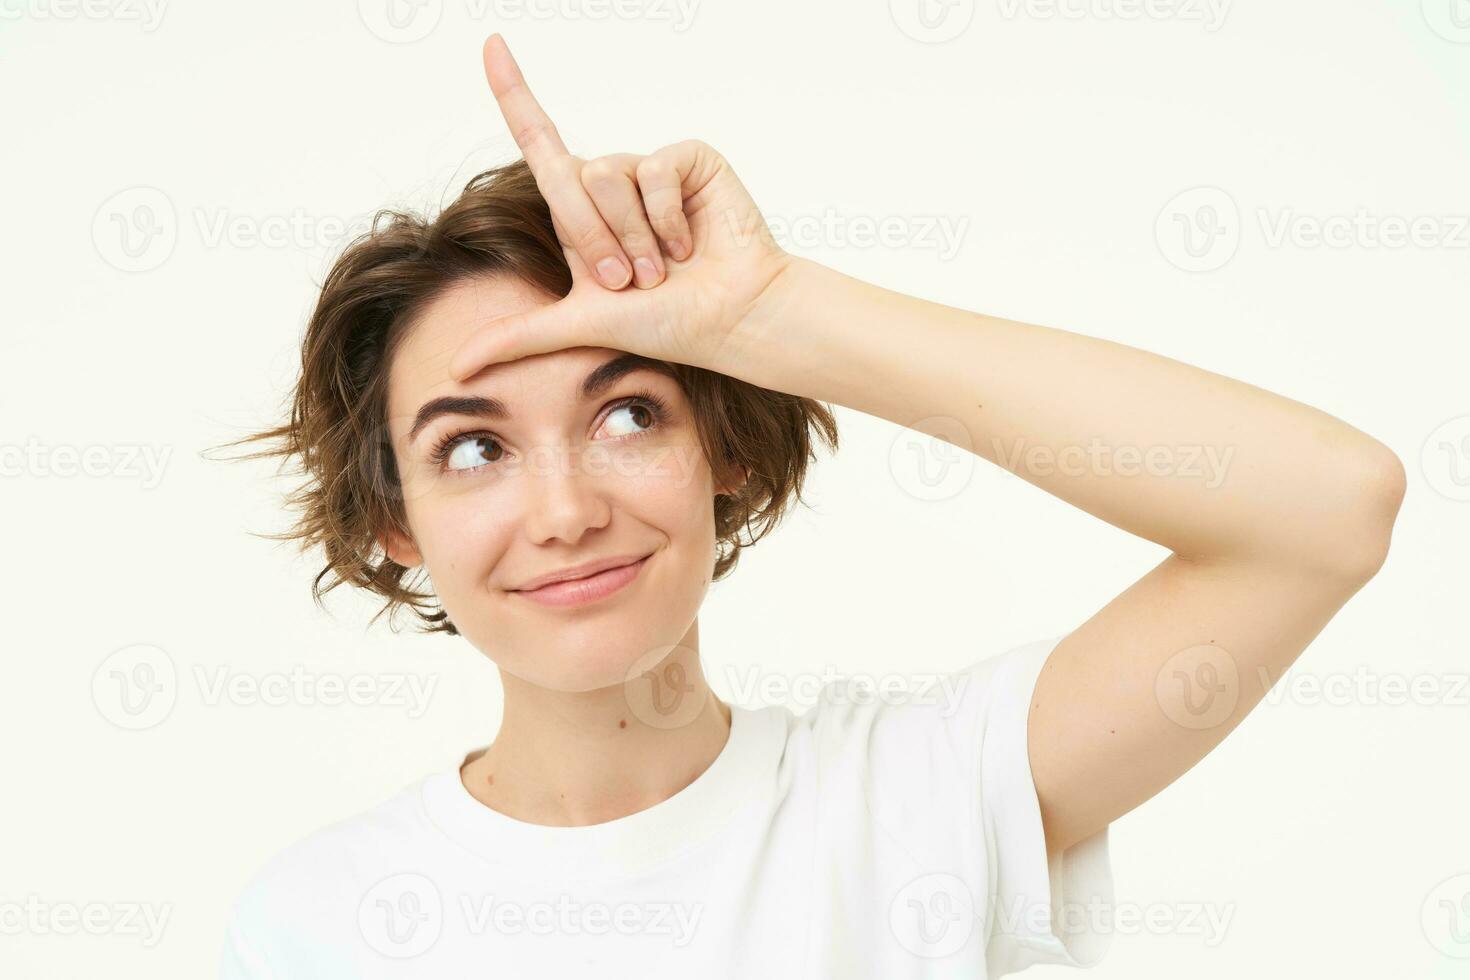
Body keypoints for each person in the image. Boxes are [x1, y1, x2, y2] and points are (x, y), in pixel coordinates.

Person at [214, 32, 1405, 978]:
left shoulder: (916, 802)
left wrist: (771, 315)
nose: (565, 508)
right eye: (473, 446)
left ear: (721, 445)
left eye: (629, 414)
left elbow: (1327, 506)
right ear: (396, 520)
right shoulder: (315, 925)